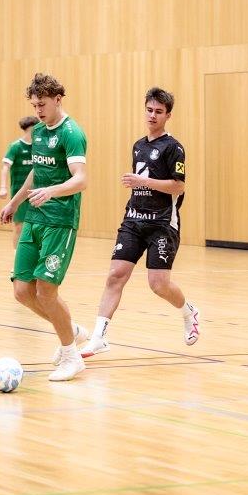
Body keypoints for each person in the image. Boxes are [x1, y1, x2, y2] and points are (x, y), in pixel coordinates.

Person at [81, 87, 200, 358]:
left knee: (158, 284)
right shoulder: (138, 146)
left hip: (162, 224)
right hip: (134, 220)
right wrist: (138, 185)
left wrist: (143, 181)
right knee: (115, 276)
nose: (152, 115)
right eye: (149, 110)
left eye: (159, 111)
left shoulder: (174, 148)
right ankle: (98, 337)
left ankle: (189, 312)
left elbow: (178, 186)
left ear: (168, 115)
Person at [0, 73, 90, 381]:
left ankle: (71, 357)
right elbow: (36, 172)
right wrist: (15, 202)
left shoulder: (71, 133)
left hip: (60, 220)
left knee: (46, 291)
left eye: (43, 104)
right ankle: (70, 329)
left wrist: (51, 191)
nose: (38, 110)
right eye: (34, 105)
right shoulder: (38, 132)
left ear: (57, 99)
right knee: (22, 291)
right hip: (34, 218)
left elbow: (81, 179)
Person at [0, 116, 39, 247]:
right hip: (19, 193)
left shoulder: (39, 147)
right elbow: (5, 167)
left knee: (37, 227)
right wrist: (3, 187)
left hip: (37, 193)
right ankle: (17, 256)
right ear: (29, 129)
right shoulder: (15, 147)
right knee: (19, 227)